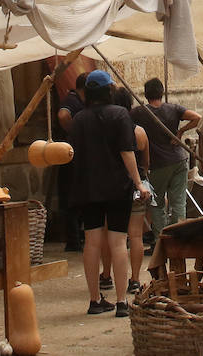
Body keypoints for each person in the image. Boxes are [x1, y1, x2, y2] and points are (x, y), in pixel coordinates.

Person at [68, 69, 152, 318]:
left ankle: (95, 300)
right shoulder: (120, 115)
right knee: (118, 242)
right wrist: (139, 183)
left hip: (88, 188)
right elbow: (127, 152)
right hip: (117, 187)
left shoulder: (78, 120)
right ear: (108, 92)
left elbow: (72, 154)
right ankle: (121, 303)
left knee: (92, 241)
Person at [132, 77, 200, 242]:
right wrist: (180, 132)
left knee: (157, 204)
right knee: (178, 203)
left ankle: (161, 241)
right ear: (162, 93)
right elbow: (197, 117)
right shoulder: (174, 108)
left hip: (158, 164)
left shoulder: (139, 112)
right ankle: (179, 239)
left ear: (146, 95)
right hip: (179, 161)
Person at [114, 87, 150, 296]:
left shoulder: (110, 130)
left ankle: (108, 276)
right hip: (138, 186)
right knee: (136, 236)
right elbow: (146, 161)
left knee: (113, 235)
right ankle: (135, 279)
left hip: (116, 186)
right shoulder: (139, 131)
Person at [55, 72, 90, 251]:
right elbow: (63, 115)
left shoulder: (81, 102)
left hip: (77, 157)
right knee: (71, 198)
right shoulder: (72, 100)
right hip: (70, 157)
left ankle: (78, 236)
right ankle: (73, 240)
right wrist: (73, 133)